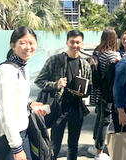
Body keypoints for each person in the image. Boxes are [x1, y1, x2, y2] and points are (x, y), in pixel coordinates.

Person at [0, 26, 46, 160]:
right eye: (23, 43)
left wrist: (29, 104)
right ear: (13, 45)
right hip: (4, 138)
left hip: (20, 133)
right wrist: (16, 148)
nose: (28, 47)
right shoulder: (6, 71)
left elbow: (15, 99)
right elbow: (6, 112)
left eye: (31, 43)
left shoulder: (22, 67)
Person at [34, 30, 92, 160]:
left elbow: (90, 88)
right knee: (55, 146)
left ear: (82, 43)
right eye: (72, 42)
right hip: (58, 109)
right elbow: (39, 81)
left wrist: (83, 93)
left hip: (77, 109)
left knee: (73, 145)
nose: (75, 45)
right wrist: (56, 84)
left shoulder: (85, 65)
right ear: (67, 42)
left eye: (78, 42)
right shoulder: (55, 60)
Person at [87, 28, 121, 160]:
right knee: (106, 120)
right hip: (109, 93)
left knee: (100, 118)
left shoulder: (97, 52)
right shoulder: (113, 55)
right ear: (113, 39)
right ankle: (99, 152)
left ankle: (95, 146)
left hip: (99, 91)